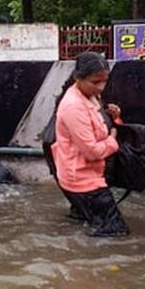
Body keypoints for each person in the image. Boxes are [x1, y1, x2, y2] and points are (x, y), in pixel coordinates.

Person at [52, 52, 129, 237]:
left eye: (105, 81)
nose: (101, 87)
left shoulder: (89, 96)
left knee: (90, 224)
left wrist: (114, 117)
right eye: (96, 82)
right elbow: (92, 152)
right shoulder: (73, 105)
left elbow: (96, 126)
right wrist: (113, 139)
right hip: (83, 181)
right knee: (117, 233)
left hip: (82, 175)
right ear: (78, 78)